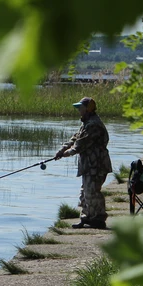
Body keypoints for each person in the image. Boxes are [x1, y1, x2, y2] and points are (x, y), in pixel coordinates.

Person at [54, 96, 112, 229]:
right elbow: (74, 138)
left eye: (81, 108)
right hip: (88, 165)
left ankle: (98, 219)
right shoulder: (86, 123)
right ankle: (86, 218)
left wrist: (66, 154)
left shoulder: (93, 125)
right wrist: (62, 149)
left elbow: (80, 145)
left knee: (93, 192)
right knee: (85, 192)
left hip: (97, 165)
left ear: (88, 109)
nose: (79, 111)